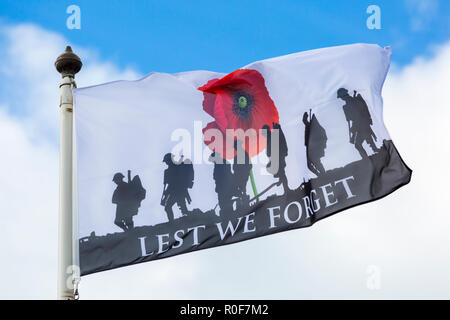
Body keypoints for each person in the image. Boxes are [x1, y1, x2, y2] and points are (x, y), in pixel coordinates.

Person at [337, 88, 380, 158]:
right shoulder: (348, 105)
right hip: (361, 126)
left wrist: (353, 128)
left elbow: (358, 116)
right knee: (363, 142)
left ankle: (368, 157)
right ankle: (372, 152)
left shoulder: (351, 103)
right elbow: (353, 118)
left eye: (341, 97)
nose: (341, 98)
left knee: (358, 144)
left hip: (362, 126)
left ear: (343, 96)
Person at [161, 153, 193, 222]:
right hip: (178, 192)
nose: (166, 163)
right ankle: (186, 219)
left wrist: (165, 197)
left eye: (166, 161)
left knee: (169, 207)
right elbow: (169, 185)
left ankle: (173, 223)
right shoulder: (170, 170)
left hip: (178, 192)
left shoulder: (174, 169)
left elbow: (172, 184)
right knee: (182, 208)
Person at [262, 122, 289, 192]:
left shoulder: (273, 135)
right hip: (276, 158)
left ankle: (286, 188)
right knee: (279, 172)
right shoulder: (269, 137)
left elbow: (281, 141)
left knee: (281, 172)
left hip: (279, 157)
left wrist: (277, 128)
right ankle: (282, 180)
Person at [209, 152, 234, 216]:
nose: (213, 161)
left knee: (225, 203)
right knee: (224, 203)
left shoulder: (222, 163)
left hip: (225, 187)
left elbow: (221, 176)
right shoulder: (219, 164)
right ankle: (226, 214)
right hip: (223, 187)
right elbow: (216, 177)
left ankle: (228, 215)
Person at [302, 111, 327, 176]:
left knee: (316, 163)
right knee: (311, 164)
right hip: (310, 149)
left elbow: (323, 137)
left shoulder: (317, 128)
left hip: (314, 149)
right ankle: (321, 175)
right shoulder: (309, 127)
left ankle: (323, 175)